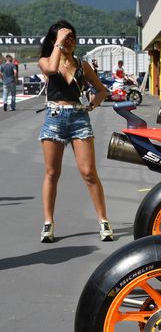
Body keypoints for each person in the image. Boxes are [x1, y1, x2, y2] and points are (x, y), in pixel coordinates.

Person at [38, 19, 113, 242]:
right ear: (53, 41)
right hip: (54, 117)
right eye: (64, 37)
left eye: (72, 37)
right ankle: (48, 223)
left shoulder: (82, 65)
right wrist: (58, 44)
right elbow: (51, 69)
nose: (69, 41)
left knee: (89, 172)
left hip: (79, 118)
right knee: (52, 173)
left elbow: (102, 90)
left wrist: (91, 105)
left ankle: (103, 221)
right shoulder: (45, 61)